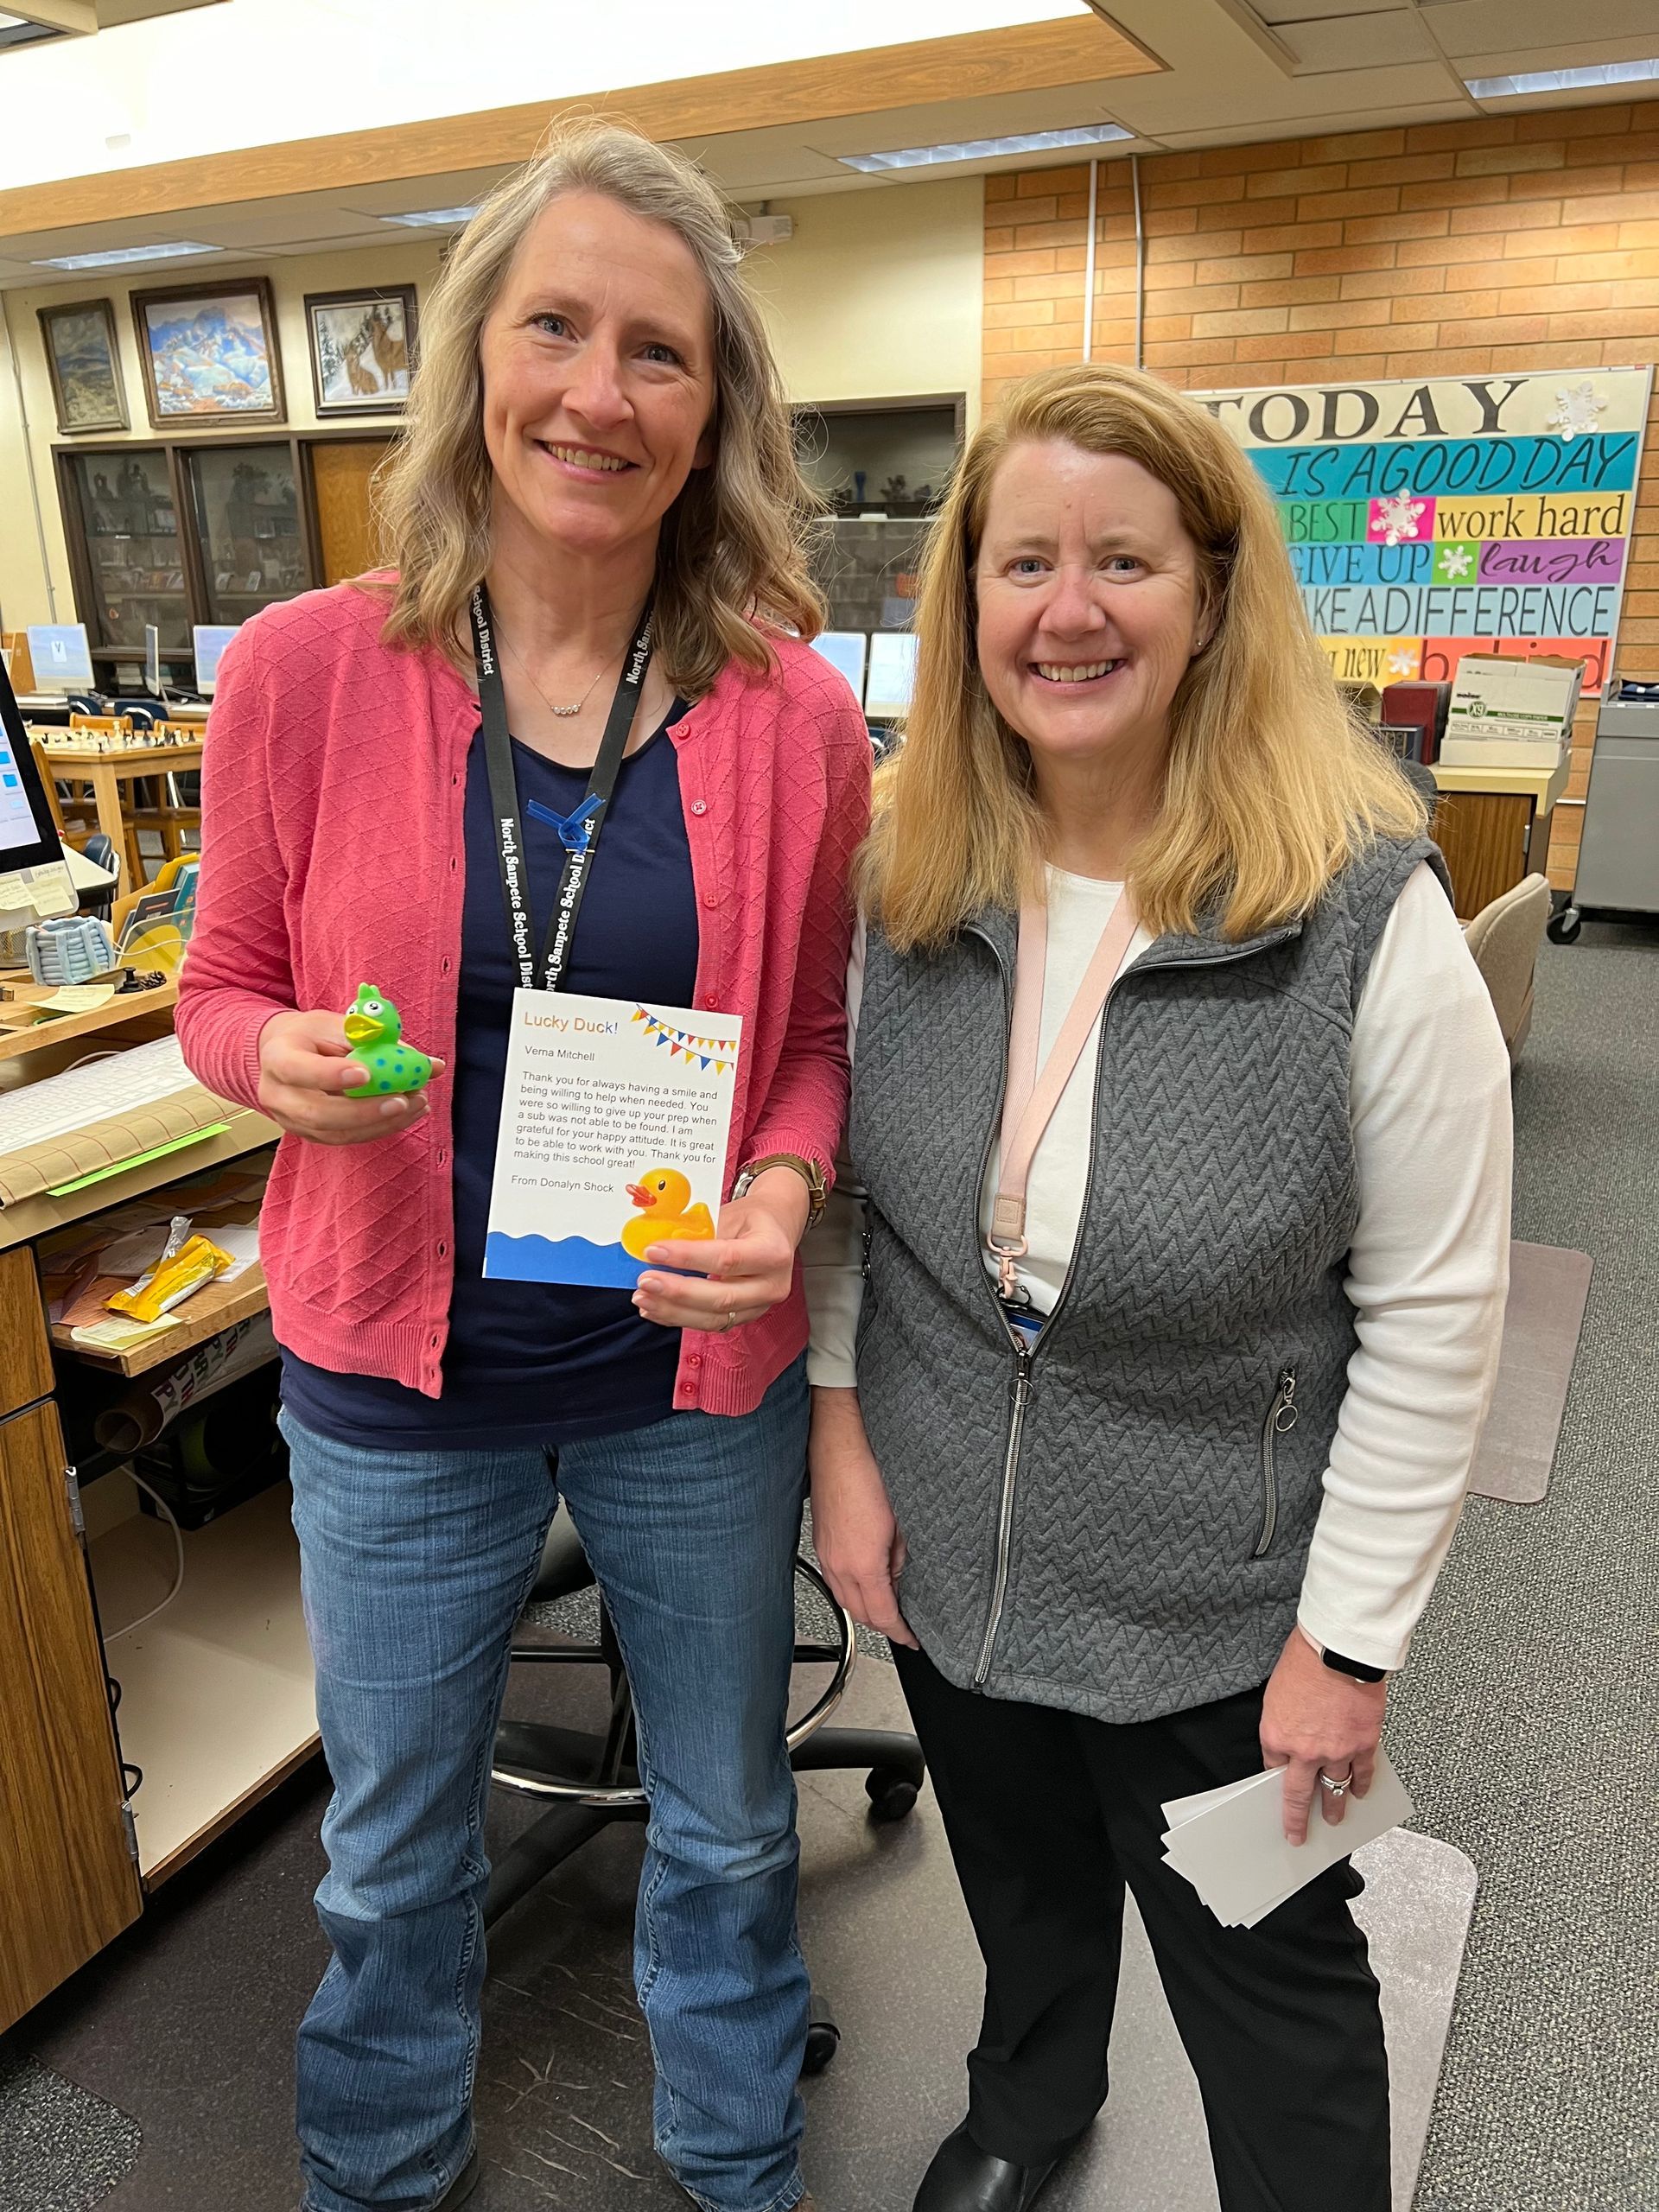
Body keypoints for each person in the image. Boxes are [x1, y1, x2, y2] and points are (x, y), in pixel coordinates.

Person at [178, 119, 867, 2212]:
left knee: (735, 1821)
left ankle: (737, 2162)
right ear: (478, 357)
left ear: (715, 405)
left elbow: (816, 1052)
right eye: (554, 326)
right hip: (397, 1393)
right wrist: (269, 1059)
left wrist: (781, 1192)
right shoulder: (305, 670)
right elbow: (217, 987)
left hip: (685, 1386)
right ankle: (377, 2172)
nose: (599, 389)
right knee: (391, 1849)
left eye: (658, 350)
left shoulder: (792, 712)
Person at [805, 360, 1511, 2212]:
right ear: (966, 606)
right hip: (958, 1541)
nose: (1069, 608)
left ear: (1208, 595)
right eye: (1022, 561)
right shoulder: (909, 869)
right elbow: (848, 1191)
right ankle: (1033, 2099)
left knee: (1277, 1981)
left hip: (1227, 1610)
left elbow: (1440, 1320)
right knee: (1022, 1887)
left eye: (1123, 559)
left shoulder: (1359, 910)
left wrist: (1348, 1647)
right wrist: (843, 1439)